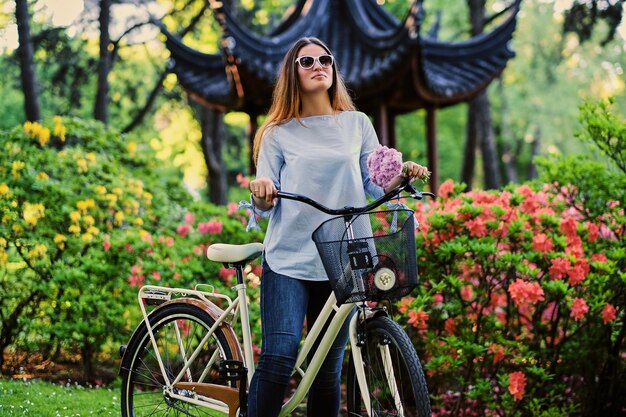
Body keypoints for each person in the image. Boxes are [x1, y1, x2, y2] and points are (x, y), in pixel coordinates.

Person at [246, 37, 429, 417]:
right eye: (307, 60)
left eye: (325, 59)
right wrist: (262, 192)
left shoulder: (356, 124)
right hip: (291, 257)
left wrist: (401, 175)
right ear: (291, 73)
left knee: (326, 371)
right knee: (280, 356)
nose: (318, 65)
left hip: (345, 257)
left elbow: (375, 179)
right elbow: (264, 196)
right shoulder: (277, 133)